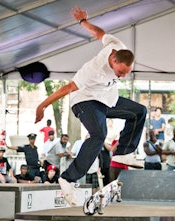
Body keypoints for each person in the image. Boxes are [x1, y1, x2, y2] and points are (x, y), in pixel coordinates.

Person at [35, 6, 146, 206]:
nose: (121, 76)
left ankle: (124, 153)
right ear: (113, 61)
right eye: (120, 72)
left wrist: (83, 22)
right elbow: (67, 88)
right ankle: (68, 178)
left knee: (139, 112)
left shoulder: (118, 46)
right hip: (84, 100)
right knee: (98, 134)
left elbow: (99, 34)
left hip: (106, 100)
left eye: (126, 73)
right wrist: (42, 106)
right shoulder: (94, 70)